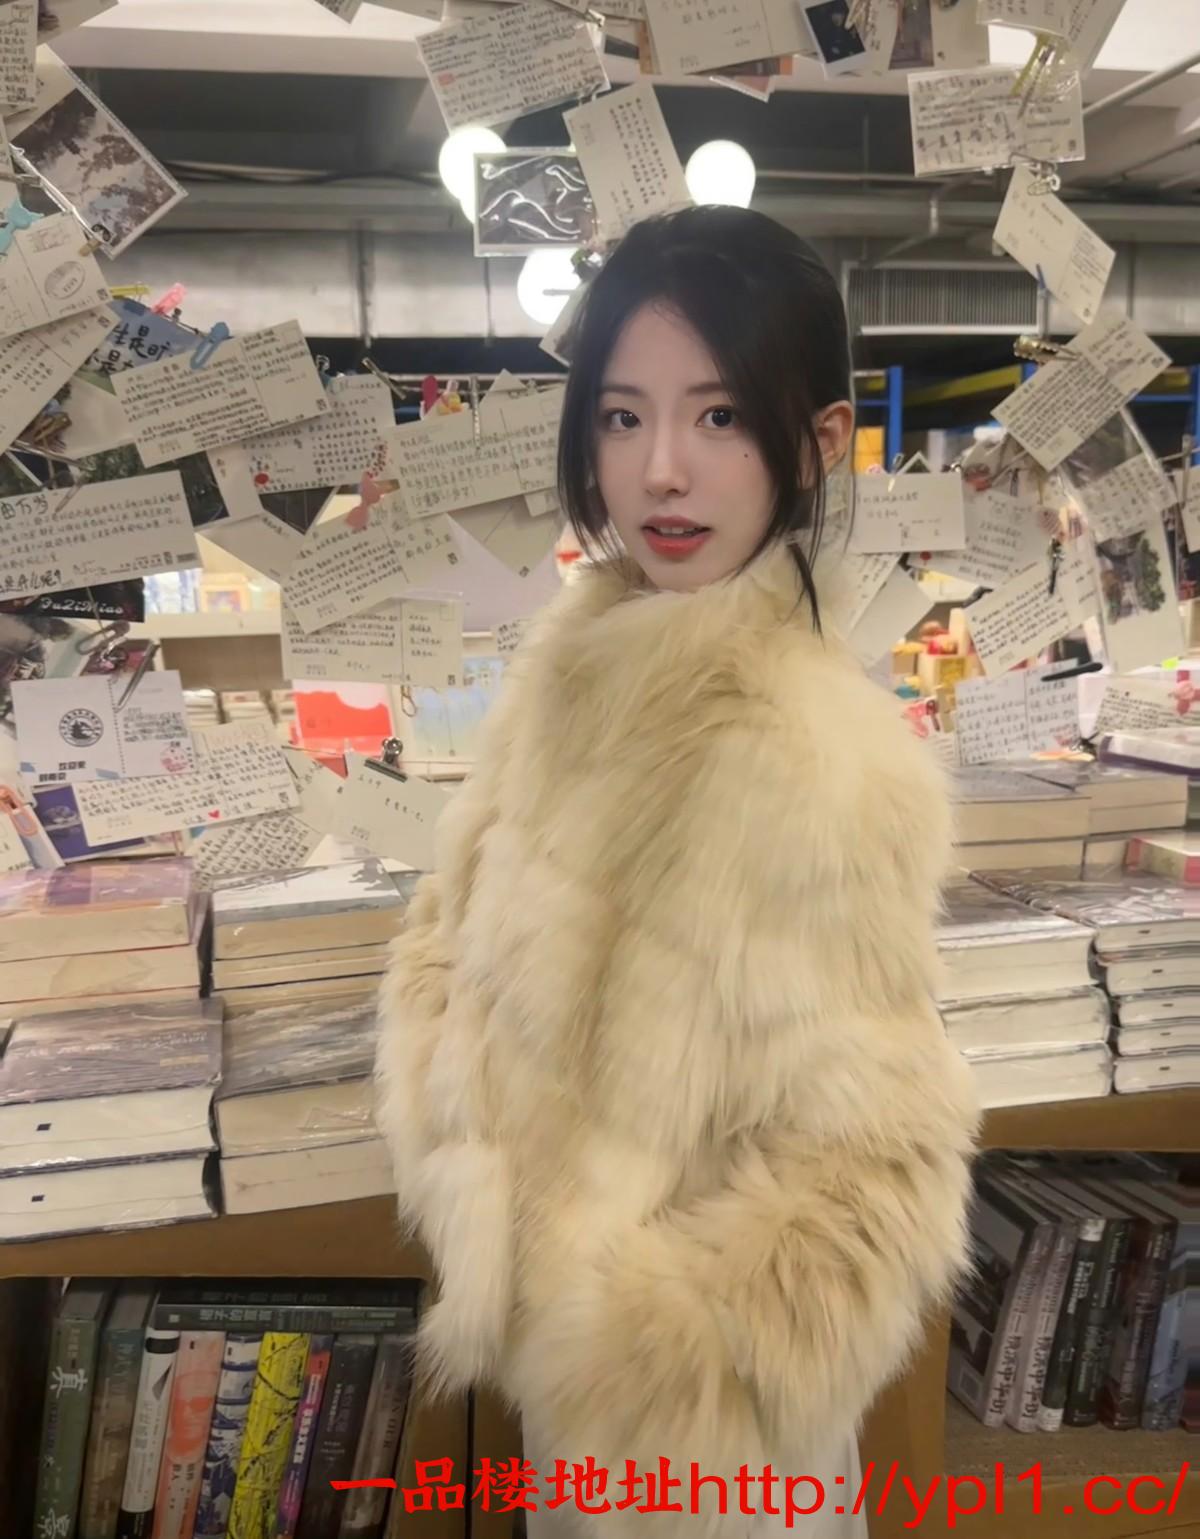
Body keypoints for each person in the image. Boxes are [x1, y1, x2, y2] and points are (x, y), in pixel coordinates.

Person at [375, 206, 981, 1538]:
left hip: (703, 1455)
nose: (659, 470)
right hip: (568, 1395)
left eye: (717, 417)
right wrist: (467, 1168)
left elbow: (878, 1169)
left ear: (814, 442)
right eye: (621, 416)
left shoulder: (815, 757)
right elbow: (450, 936)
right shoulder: (573, 676)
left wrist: (646, 1358)